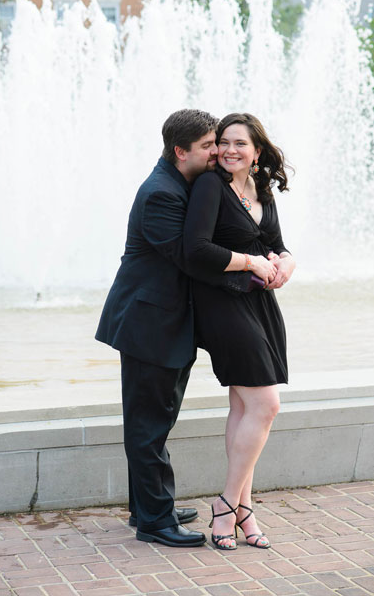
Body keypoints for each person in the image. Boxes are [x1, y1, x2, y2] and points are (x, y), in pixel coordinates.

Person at [95, 109, 276, 548]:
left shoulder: (179, 184)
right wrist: (253, 268)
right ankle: (155, 522)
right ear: (181, 151)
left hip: (164, 321)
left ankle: (148, 507)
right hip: (148, 323)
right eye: (209, 146)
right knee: (148, 426)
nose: (218, 152)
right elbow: (191, 258)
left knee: (156, 418)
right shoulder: (161, 193)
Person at [183, 112, 294, 550]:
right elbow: (197, 249)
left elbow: (277, 243)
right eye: (223, 142)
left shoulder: (261, 188)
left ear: (257, 151)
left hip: (259, 302)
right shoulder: (211, 186)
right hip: (222, 301)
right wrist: (251, 262)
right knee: (266, 405)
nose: (228, 150)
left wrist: (286, 262)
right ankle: (227, 503)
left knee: (243, 408)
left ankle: (243, 511)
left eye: (239, 144)